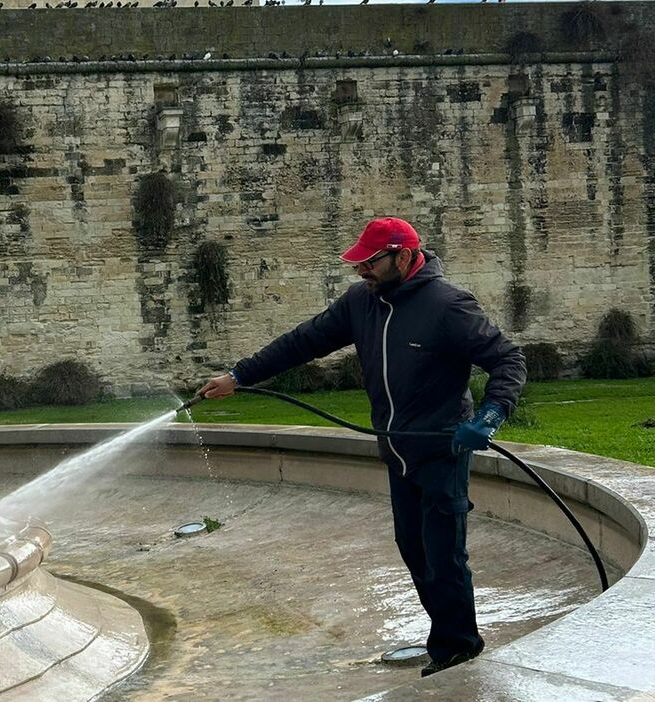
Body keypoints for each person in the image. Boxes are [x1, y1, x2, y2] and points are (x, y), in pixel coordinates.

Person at [197, 217, 526, 677]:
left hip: (441, 449)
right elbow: (303, 341)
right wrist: (239, 376)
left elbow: (508, 359)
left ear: (405, 257)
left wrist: (489, 418)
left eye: (371, 263)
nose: (361, 272)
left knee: (443, 555)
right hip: (395, 450)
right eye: (359, 263)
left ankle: (457, 647)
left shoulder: (448, 306)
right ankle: (449, 638)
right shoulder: (361, 303)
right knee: (412, 547)